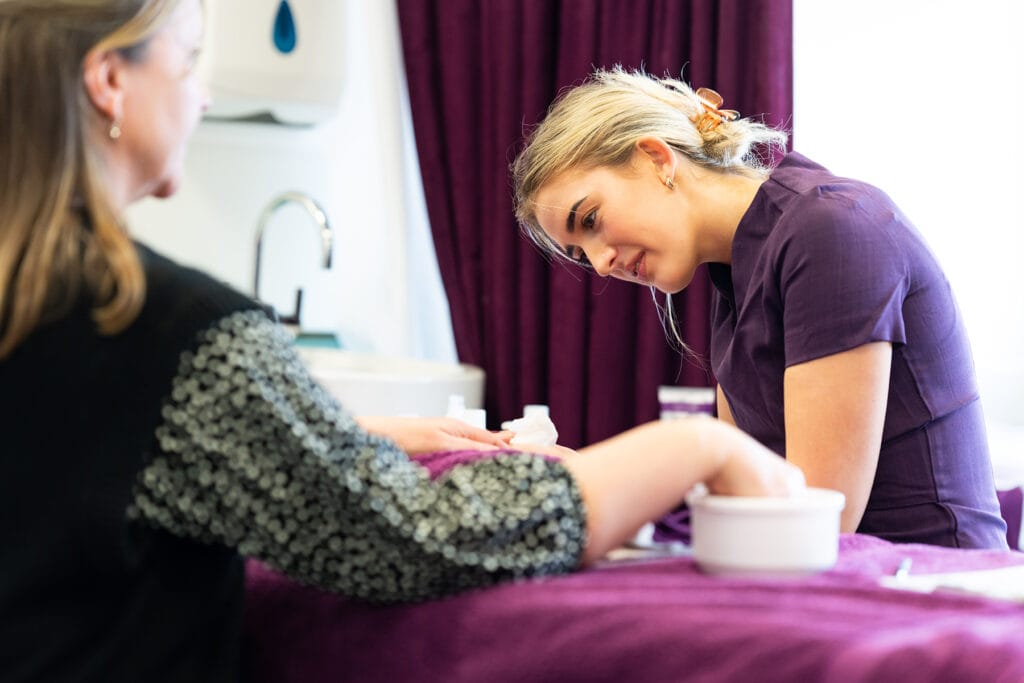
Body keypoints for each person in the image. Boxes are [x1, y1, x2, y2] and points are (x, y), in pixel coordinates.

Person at [0, 3, 804, 680]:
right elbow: (412, 539)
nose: (202, 95)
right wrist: (689, 448)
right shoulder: (172, 334)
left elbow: (104, 454)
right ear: (109, 81)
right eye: (186, 61)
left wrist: (348, 435)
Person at [512, 66, 1008, 550]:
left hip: (937, 588)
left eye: (592, 219)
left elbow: (816, 520)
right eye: (580, 253)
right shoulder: (737, 272)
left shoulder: (828, 230)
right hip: (841, 577)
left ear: (657, 159)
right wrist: (585, 479)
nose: (600, 265)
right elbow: (740, 492)